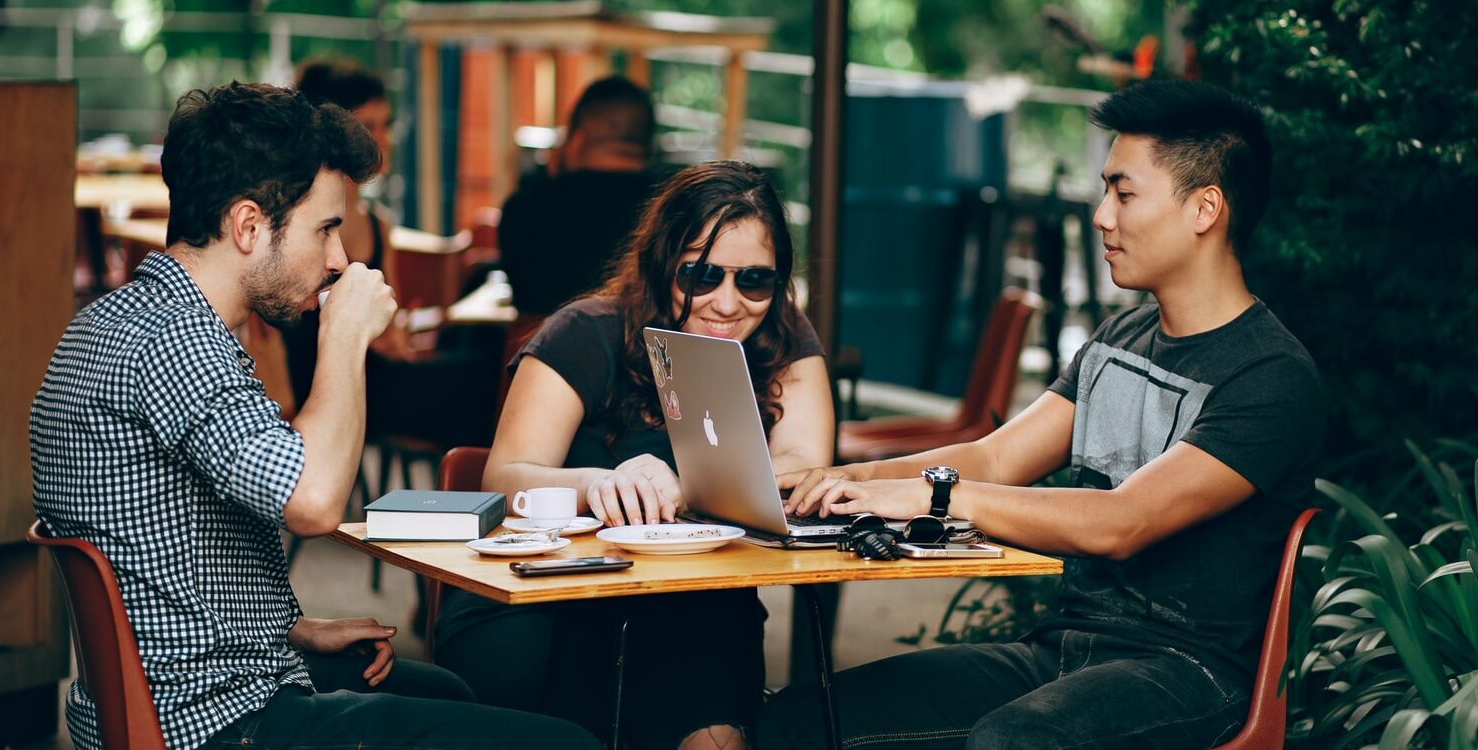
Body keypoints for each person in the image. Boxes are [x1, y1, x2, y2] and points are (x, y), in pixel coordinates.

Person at [29, 81, 599, 750]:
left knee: (445, 693)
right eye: (326, 227)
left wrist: (289, 628)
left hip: (165, 696)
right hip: (215, 723)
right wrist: (345, 333)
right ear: (247, 226)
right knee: (567, 744)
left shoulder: (116, 321)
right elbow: (316, 502)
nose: (339, 258)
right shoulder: (178, 342)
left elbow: (154, 550)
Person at [760, 80, 1325, 750]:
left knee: (1014, 742)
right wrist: (844, 480)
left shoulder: (1270, 376)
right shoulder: (1119, 339)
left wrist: (934, 494)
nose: (1101, 216)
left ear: (1206, 208)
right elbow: (999, 457)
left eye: (1124, 192)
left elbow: (1123, 521)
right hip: (1061, 652)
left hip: (1188, 674)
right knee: (795, 723)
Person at [433, 161, 834, 749]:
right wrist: (602, 483)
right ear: (661, 264)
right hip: (549, 593)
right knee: (687, 633)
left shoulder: (780, 335)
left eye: (754, 279)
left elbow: (804, 464)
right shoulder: (586, 330)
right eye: (700, 276)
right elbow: (503, 476)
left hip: (692, 596)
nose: (728, 302)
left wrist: (686, 484)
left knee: (709, 617)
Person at [283, 58, 496, 449]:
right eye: (368, 126)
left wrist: (406, 329)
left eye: (386, 125)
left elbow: (392, 332)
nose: (382, 139)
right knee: (487, 376)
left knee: (482, 356)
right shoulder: (295, 222)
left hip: (376, 377)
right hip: (329, 383)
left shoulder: (378, 225)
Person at [498, 75, 665, 316]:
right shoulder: (672, 210)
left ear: (576, 140)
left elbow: (523, 300)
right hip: (641, 351)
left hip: (542, 350)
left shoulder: (524, 209)